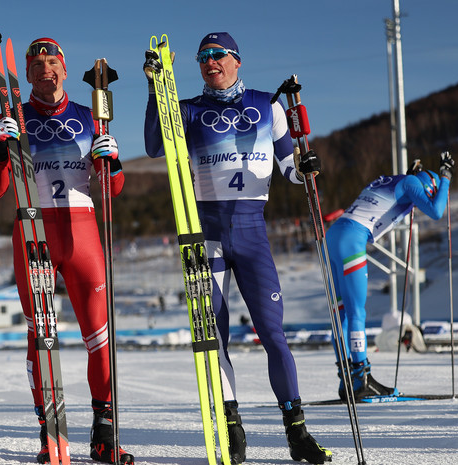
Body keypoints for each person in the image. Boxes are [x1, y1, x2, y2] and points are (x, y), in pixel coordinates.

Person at [143, 32, 331, 464]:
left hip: (251, 232)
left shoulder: (269, 105)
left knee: (273, 334)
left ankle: (297, 431)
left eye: (218, 55)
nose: (210, 62)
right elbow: (155, 146)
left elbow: (291, 169)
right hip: (203, 233)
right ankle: (231, 426)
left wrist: (308, 166)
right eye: (203, 57)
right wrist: (156, 89)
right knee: (215, 338)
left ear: (237, 61)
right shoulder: (187, 109)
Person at [0, 38, 134, 465]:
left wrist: (114, 162)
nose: (43, 69)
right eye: (34, 64)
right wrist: (0, 150)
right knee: (42, 337)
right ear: (25, 75)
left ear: (64, 70)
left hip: (83, 230)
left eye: (51, 62)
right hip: (34, 229)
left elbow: (112, 190)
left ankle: (104, 434)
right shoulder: (13, 116)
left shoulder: (93, 118)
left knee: (100, 338)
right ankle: (50, 437)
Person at [326, 153, 454, 400]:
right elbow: (437, 211)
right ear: (429, 186)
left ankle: (347, 381)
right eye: (429, 193)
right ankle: (361, 378)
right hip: (352, 238)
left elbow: (397, 198)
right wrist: (446, 178)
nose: (421, 202)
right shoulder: (412, 184)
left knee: (340, 314)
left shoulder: (394, 180)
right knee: (356, 313)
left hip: (334, 236)